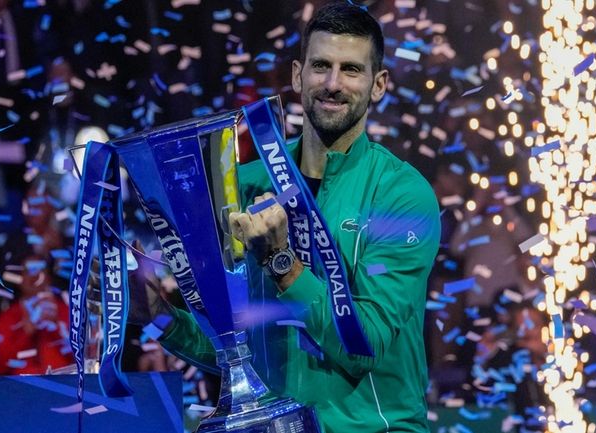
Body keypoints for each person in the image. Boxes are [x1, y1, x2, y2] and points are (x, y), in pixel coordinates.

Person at [152, 3, 441, 432]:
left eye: (351, 70)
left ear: (378, 85)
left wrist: (282, 263)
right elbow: (237, 350)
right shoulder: (246, 185)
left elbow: (365, 345)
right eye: (321, 65)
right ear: (296, 75)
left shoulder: (402, 195)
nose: (332, 83)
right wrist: (160, 315)